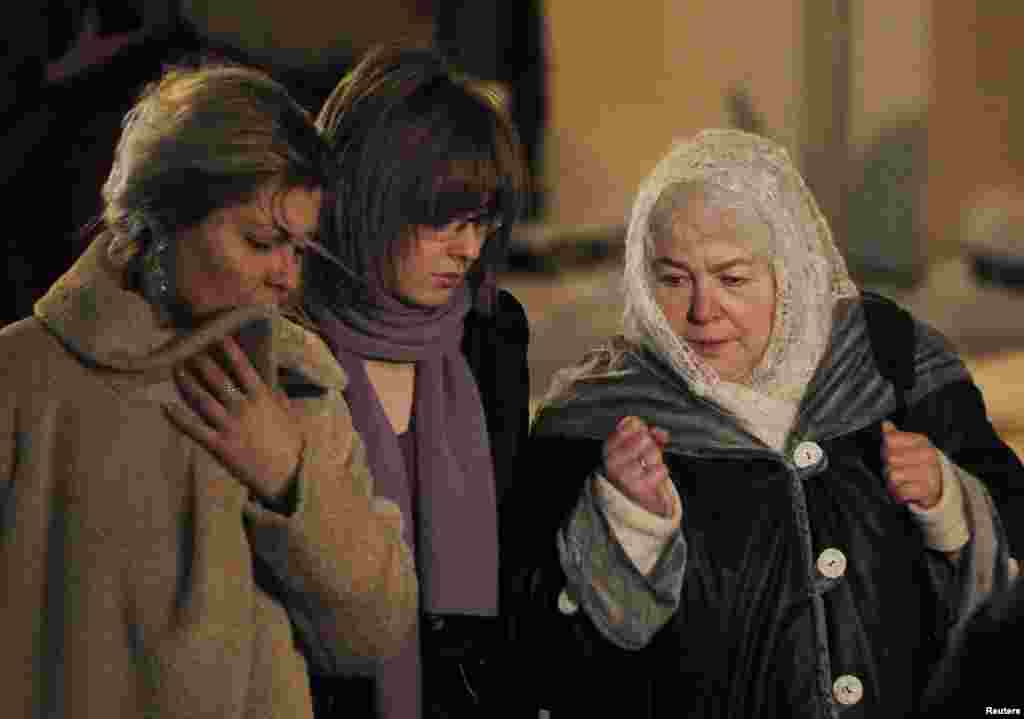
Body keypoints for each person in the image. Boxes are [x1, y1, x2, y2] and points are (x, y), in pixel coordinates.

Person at [504, 129, 1024, 718]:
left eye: (732, 278)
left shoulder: (891, 368)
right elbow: (536, 660)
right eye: (674, 279)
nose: (702, 312)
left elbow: (1007, 603)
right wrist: (622, 523)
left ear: (790, 271)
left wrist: (949, 503)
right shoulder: (595, 421)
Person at [0, 64, 417, 719]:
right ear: (161, 217)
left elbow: (374, 633)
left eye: (300, 250)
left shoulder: (297, 380)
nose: (286, 276)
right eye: (261, 241)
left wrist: (291, 480)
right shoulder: (21, 380)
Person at [304, 45, 531, 719]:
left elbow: (515, 560)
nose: (469, 249)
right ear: (369, 199)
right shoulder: (287, 344)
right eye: (445, 220)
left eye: (482, 221)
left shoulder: (492, 334)